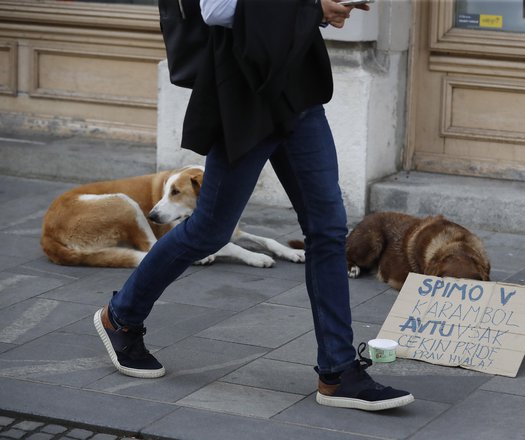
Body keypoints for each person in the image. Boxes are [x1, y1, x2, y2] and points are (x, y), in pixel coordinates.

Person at [93, 0, 414, 412]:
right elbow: (216, 8)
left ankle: (337, 372)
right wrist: (311, 8)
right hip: (243, 90)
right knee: (211, 229)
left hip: (295, 83)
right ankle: (119, 317)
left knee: (329, 230)